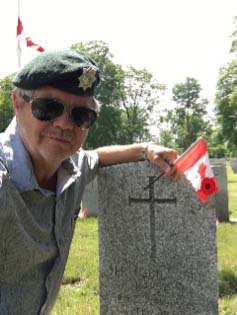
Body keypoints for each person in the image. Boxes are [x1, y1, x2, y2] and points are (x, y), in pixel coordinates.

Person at [0, 48, 177, 315]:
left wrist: (144, 149)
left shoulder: (70, 169)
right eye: (48, 108)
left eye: (81, 115)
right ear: (17, 103)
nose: (65, 124)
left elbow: (96, 157)